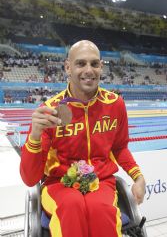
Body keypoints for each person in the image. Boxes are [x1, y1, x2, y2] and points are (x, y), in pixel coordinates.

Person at [20, 40, 146, 237]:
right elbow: (30, 179)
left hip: (101, 181)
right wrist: (35, 135)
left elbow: (120, 147)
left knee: (101, 210)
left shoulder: (115, 105)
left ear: (101, 67)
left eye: (94, 64)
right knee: (71, 206)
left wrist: (138, 177)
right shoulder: (50, 110)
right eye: (81, 64)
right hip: (59, 184)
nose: (89, 70)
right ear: (68, 67)